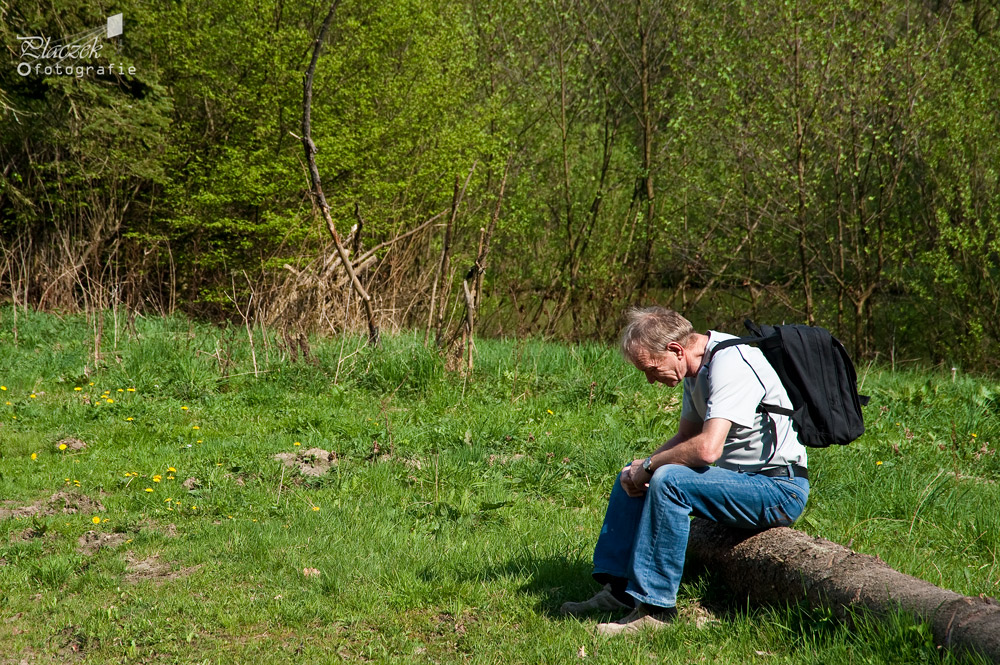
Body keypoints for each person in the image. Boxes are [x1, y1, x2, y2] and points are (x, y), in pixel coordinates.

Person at [561, 306, 810, 635]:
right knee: (633, 475)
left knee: (666, 478)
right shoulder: (697, 370)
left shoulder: (732, 363)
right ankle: (620, 593)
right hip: (740, 484)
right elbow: (685, 437)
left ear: (676, 350)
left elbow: (707, 449)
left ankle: (655, 611)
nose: (650, 379)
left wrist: (651, 466)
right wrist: (639, 469)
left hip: (778, 490)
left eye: (651, 368)